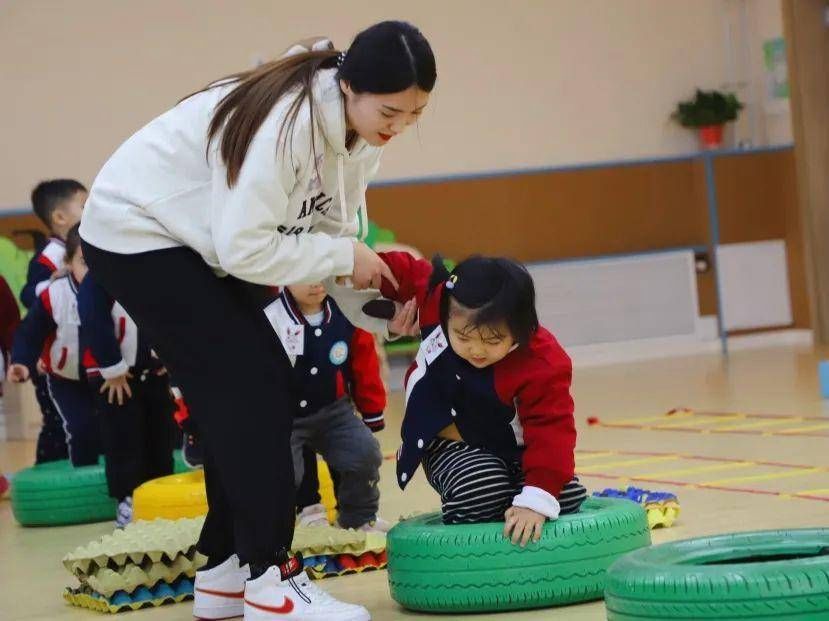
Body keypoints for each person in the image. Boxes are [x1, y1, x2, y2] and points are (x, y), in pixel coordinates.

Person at [79, 20, 434, 621]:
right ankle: (271, 580)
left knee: (253, 387)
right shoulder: (287, 125)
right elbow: (248, 250)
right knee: (256, 389)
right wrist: (347, 257)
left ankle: (225, 570)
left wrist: (377, 315)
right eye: (392, 110)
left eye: (416, 114)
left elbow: (333, 233)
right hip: (139, 231)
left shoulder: (358, 136)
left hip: (203, 241)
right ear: (348, 85)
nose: (399, 127)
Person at [374, 253, 588, 547]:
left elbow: (553, 432)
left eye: (492, 340)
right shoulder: (440, 300)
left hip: (514, 448)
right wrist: (353, 263)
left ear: (521, 331)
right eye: (462, 336)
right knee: (480, 488)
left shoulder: (543, 363)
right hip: (450, 438)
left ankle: (511, 496)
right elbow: (405, 272)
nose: (476, 350)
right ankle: (481, 524)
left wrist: (536, 498)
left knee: (566, 495)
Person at [264, 283, 387, 532]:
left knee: (364, 453)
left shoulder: (346, 311)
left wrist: (372, 411)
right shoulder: (270, 316)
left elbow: (363, 360)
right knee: (285, 471)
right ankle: (304, 509)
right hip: (283, 416)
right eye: (305, 275)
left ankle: (358, 516)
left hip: (332, 409)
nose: (316, 282)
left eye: (321, 272)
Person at [78, 272, 177, 528]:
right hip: (117, 379)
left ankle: (160, 497)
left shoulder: (153, 270)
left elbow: (172, 313)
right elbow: (93, 319)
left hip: (153, 372)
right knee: (124, 439)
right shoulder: (99, 277)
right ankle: (128, 499)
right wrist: (112, 368)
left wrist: (170, 356)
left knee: (160, 437)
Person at [7, 224, 100, 466]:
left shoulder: (119, 290)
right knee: (81, 430)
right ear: (68, 263)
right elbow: (29, 333)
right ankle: (85, 485)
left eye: (100, 261)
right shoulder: (54, 295)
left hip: (111, 376)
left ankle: (122, 492)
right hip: (66, 379)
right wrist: (22, 362)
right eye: (85, 263)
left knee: (118, 431)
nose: (94, 271)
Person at [20, 179, 87, 463]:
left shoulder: (85, 247)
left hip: (81, 358)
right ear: (60, 217)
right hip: (52, 360)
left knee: (85, 421)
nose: (92, 210)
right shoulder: (49, 258)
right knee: (57, 422)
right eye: (84, 205)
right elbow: (28, 295)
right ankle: (47, 470)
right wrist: (53, 280)